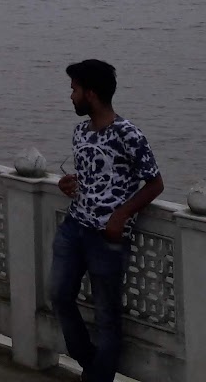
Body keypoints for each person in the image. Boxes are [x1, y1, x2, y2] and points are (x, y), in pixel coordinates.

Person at [52, 59, 164, 382]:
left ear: (91, 93)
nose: (71, 96)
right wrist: (69, 184)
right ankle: (91, 363)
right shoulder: (80, 132)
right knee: (59, 295)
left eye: (74, 90)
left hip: (106, 237)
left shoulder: (128, 134)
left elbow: (155, 183)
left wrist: (121, 215)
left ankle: (96, 377)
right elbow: (93, 176)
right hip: (74, 227)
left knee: (107, 318)